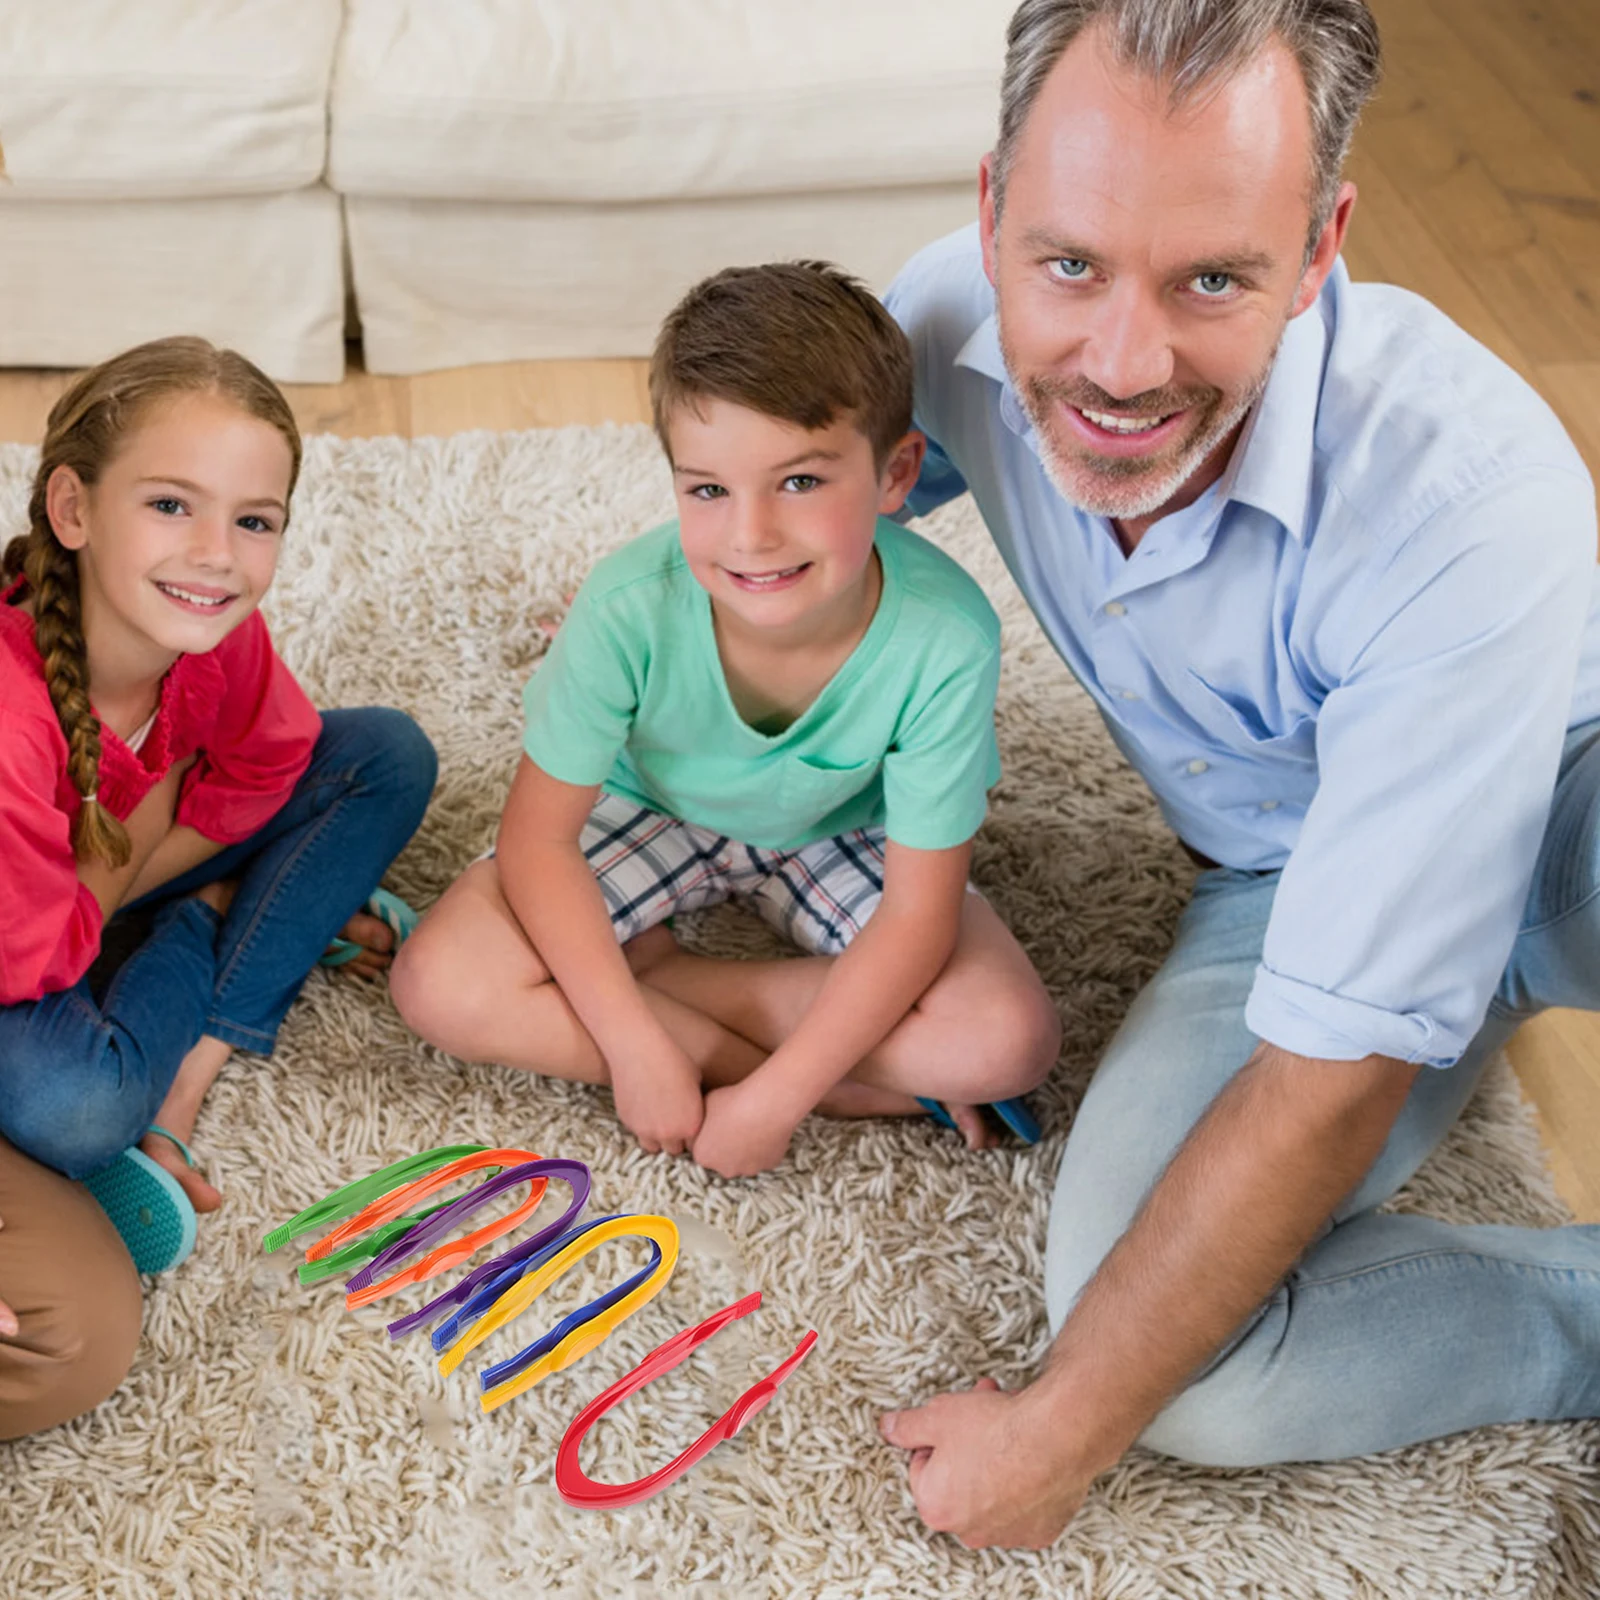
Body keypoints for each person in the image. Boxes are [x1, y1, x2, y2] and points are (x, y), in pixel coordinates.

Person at [875, 0, 1600, 1551]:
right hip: (1288, 870)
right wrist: (674, 620)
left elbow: (1334, 1086)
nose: (1120, 365)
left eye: (1213, 277)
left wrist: (1056, 1440)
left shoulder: (1467, 489)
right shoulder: (942, 322)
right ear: (993, 212)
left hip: (1570, 798)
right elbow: (822, 496)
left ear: (1323, 241)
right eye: (1068, 264)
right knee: (1196, 1377)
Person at [391, 262, 1060, 1178]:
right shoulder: (629, 604)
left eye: (799, 483)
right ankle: (831, 1073)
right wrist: (634, 1048)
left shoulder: (945, 636)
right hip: (651, 808)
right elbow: (537, 844)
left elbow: (917, 918)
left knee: (1007, 1040)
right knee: (440, 981)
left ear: (896, 472)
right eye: (708, 490)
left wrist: (776, 1101)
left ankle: (677, 978)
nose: (750, 536)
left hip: (847, 829)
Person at [0, 337, 437, 1440]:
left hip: (83, 896)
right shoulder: (12, 720)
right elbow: (48, 947)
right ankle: (214, 924)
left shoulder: (210, 638)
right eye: (170, 505)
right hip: (22, 950)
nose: (216, 557)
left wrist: (135, 853)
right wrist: (163, 882)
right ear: (71, 507)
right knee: (82, 1105)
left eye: (254, 520)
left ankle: (192, 1060)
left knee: (383, 755)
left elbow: (267, 762)